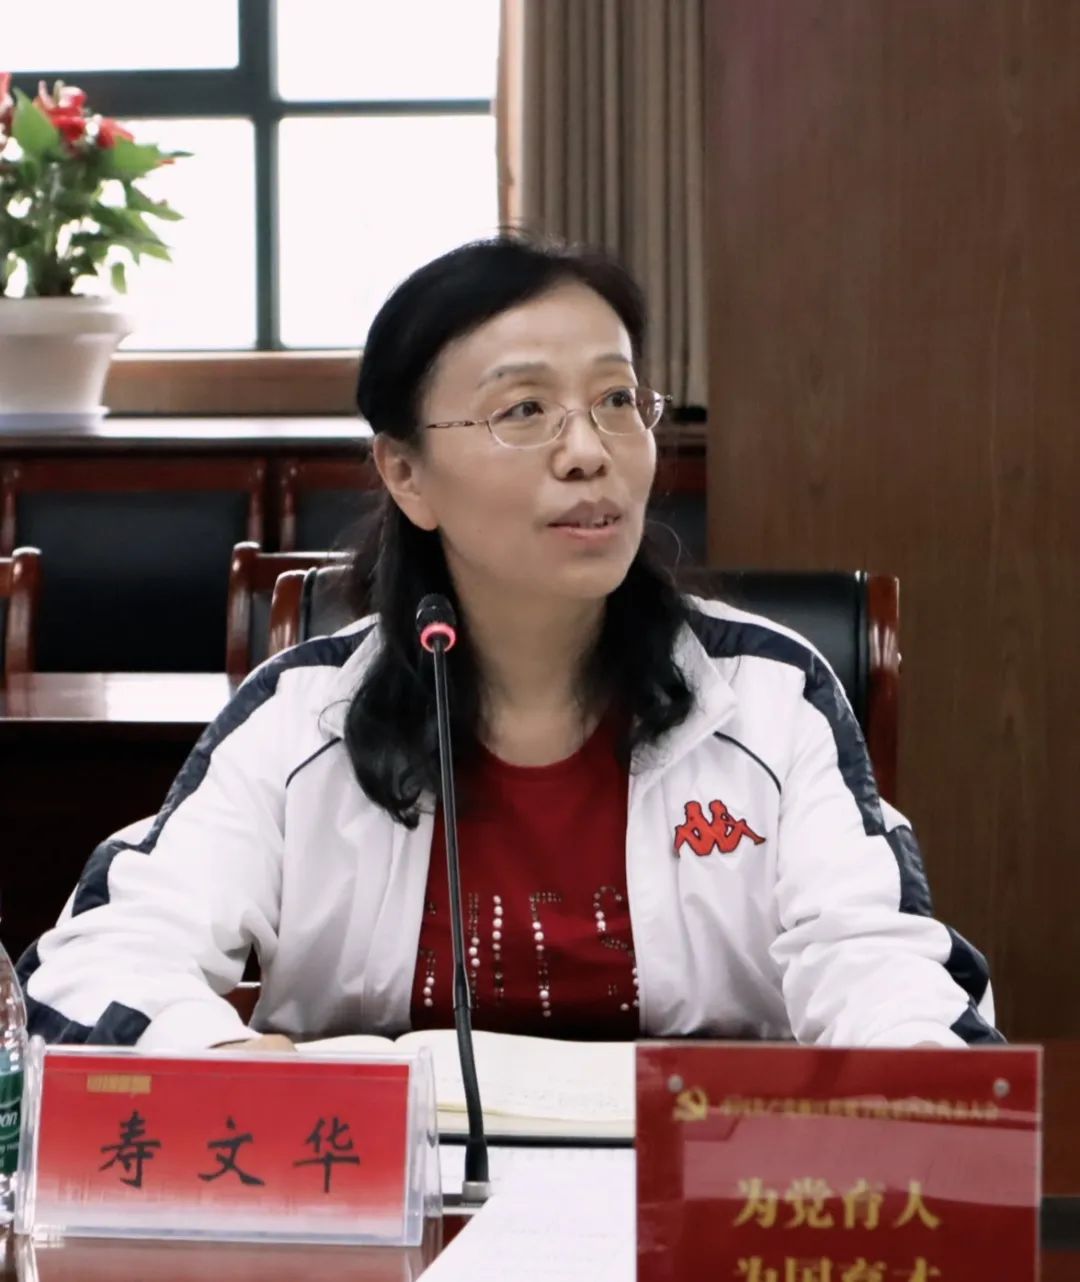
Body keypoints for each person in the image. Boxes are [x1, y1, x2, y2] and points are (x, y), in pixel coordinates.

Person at [18, 234, 1000, 1052]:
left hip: (684, 1191)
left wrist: (909, 1079)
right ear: (406, 474)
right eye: (524, 410)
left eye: (617, 400)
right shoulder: (299, 717)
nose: (589, 452)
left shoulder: (771, 697)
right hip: (398, 1199)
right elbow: (96, 961)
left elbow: (882, 959)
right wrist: (222, 1061)